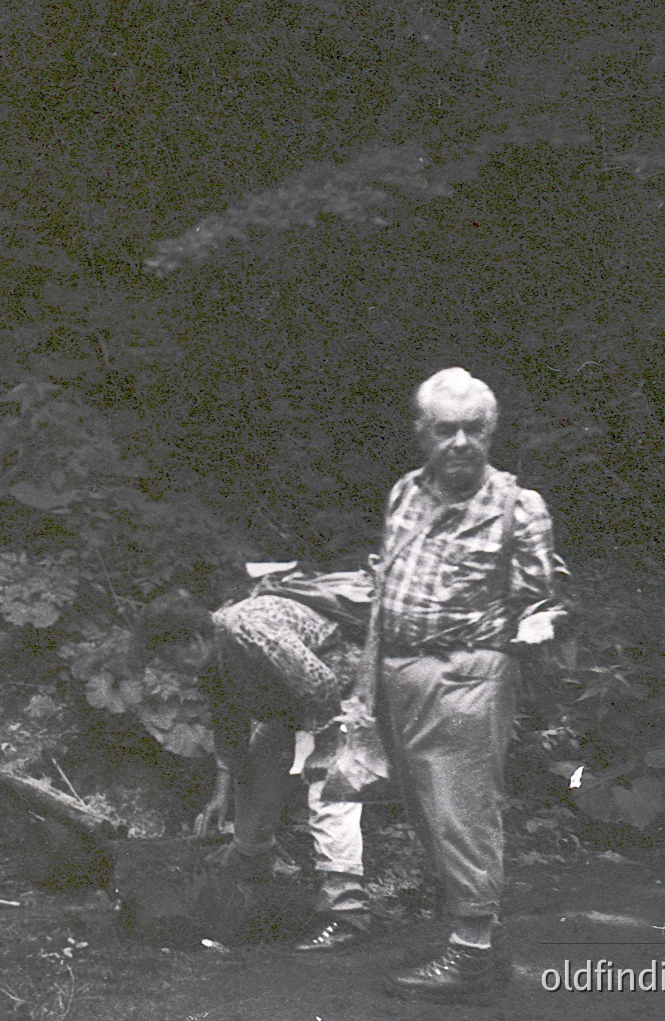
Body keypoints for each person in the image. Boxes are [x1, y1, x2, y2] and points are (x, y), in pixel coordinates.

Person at [371, 368, 565, 1001]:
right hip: (398, 673)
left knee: (463, 814)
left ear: (492, 432)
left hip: (468, 673)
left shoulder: (518, 506)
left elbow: (543, 602)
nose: (460, 442)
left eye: (473, 429)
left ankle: (471, 964)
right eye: (445, 429)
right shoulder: (405, 491)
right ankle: (478, 942)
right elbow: (384, 589)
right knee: (429, 814)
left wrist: (539, 626)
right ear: (422, 433)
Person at [137, 589, 371, 951]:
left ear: (195, 641)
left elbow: (320, 682)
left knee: (328, 792)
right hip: (290, 711)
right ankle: (253, 867)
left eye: (173, 659)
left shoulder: (248, 629)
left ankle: (347, 914)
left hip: (338, 697)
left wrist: (317, 754)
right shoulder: (212, 659)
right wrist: (222, 794)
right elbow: (230, 730)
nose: (175, 671)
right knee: (256, 780)